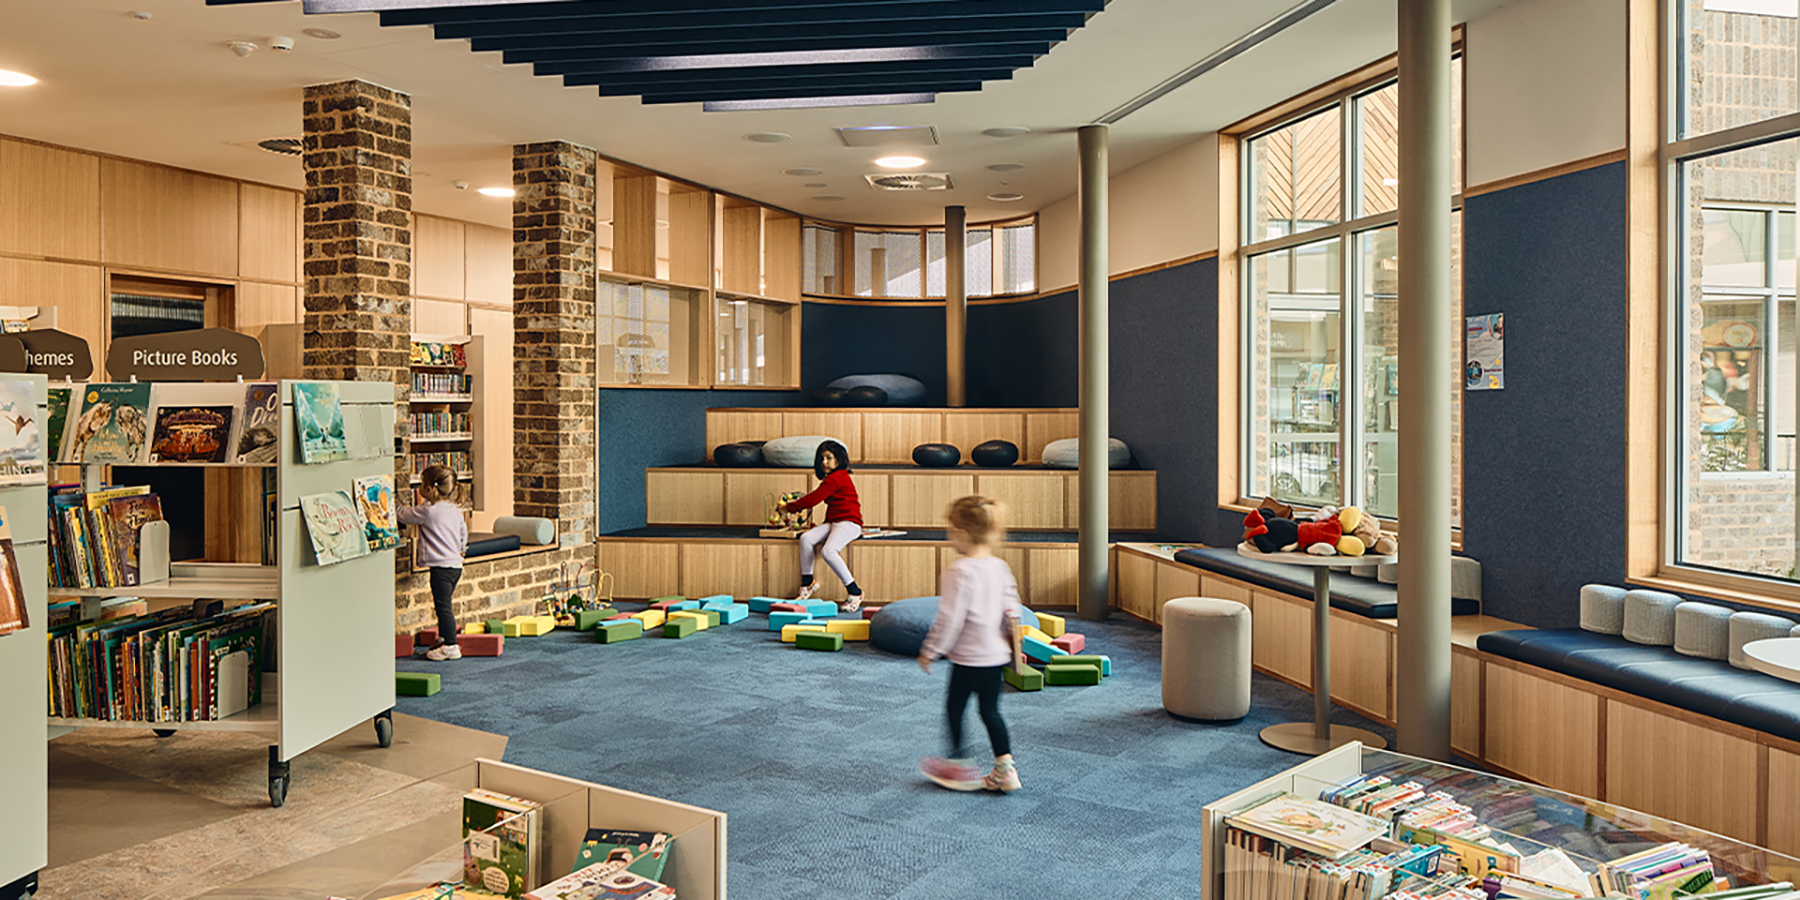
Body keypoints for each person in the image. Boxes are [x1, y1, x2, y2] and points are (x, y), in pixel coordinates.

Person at [917, 495, 1025, 793]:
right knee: (990, 712)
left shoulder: (959, 571)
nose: (950, 537)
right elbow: (1012, 610)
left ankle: (958, 765)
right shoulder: (999, 567)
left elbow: (950, 618)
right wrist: (1014, 643)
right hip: (996, 657)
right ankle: (1006, 769)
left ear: (963, 534)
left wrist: (931, 650)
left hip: (968, 659)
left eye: (951, 531)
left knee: (954, 707)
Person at [780, 439, 866, 611]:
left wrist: (787, 507)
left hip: (849, 523)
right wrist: (821, 526)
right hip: (834, 522)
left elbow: (813, 499)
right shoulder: (833, 478)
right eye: (822, 459)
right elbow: (835, 506)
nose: (824, 462)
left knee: (828, 551)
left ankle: (855, 592)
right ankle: (807, 584)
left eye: (829, 458)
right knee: (806, 538)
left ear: (839, 460)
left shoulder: (837, 477)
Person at [399, 464, 469, 661]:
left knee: (443, 607)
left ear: (429, 489)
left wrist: (392, 503)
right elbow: (463, 533)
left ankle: (451, 646)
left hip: (440, 568)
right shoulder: (454, 510)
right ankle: (445, 638)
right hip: (455, 566)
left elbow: (403, 515)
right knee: (444, 604)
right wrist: (462, 550)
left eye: (421, 483)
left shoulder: (427, 511)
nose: (419, 487)